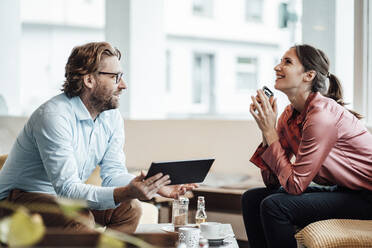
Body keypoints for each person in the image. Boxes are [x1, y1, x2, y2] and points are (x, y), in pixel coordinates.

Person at [0, 42, 194, 233]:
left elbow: (113, 174)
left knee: (130, 210)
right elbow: (67, 190)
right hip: (15, 199)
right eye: (115, 77)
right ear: (89, 80)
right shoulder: (54, 116)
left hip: (58, 198)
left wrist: (156, 185)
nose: (123, 85)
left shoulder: (111, 116)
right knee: (78, 218)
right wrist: (125, 192)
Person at [241, 44, 372, 248]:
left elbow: (294, 186)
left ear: (308, 75)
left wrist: (270, 132)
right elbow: (273, 182)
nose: (277, 67)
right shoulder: (288, 115)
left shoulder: (322, 116)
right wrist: (267, 133)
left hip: (367, 196)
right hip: (345, 190)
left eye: (287, 62)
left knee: (274, 206)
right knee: (252, 198)